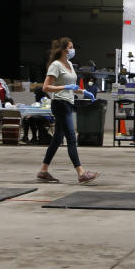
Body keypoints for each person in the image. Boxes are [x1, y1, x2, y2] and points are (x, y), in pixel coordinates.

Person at [37, 37, 99, 184]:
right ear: (64, 49)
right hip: (60, 104)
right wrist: (65, 87)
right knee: (71, 137)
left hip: (69, 103)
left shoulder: (69, 64)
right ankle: (81, 173)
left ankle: (43, 171)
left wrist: (83, 92)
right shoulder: (56, 65)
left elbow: (72, 86)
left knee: (57, 138)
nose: (73, 50)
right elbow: (46, 87)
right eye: (71, 47)